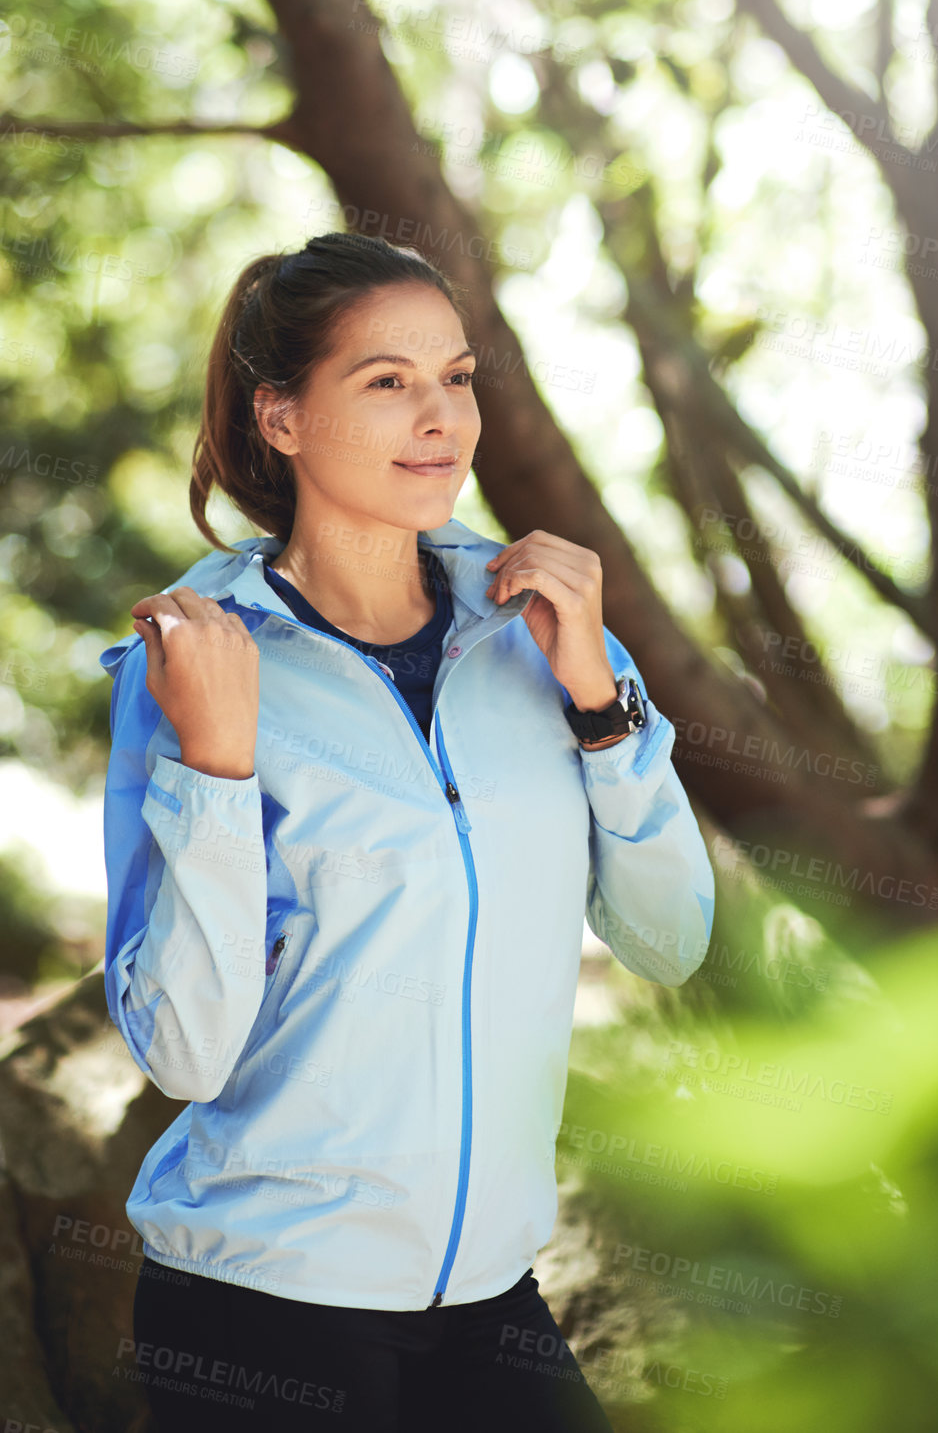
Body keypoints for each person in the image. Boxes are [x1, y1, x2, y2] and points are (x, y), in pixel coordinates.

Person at [98, 232, 716, 1431]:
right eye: (387, 381)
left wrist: (599, 703)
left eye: (458, 375)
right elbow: (180, 1052)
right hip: (256, 1306)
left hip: (489, 1293)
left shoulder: (542, 630)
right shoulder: (195, 659)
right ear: (280, 418)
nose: (441, 416)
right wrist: (218, 767)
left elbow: (670, 939)